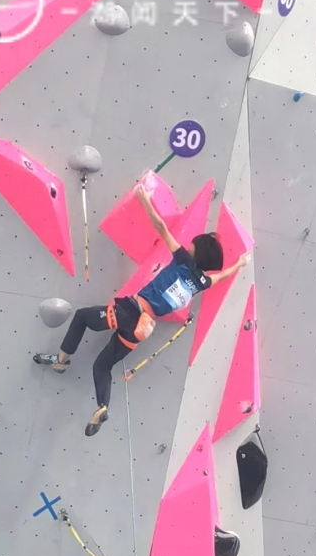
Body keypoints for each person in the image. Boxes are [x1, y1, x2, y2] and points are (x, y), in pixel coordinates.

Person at [34, 181, 251, 436]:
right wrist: (239, 265)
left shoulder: (183, 261)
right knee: (102, 366)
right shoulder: (202, 282)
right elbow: (221, 276)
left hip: (131, 312)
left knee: (82, 316)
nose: (190, 245)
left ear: (196, 253)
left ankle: (61, 360)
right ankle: (102, 405)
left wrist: (144, 199)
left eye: (193, 244)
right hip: (141, 330)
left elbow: (161, 227)